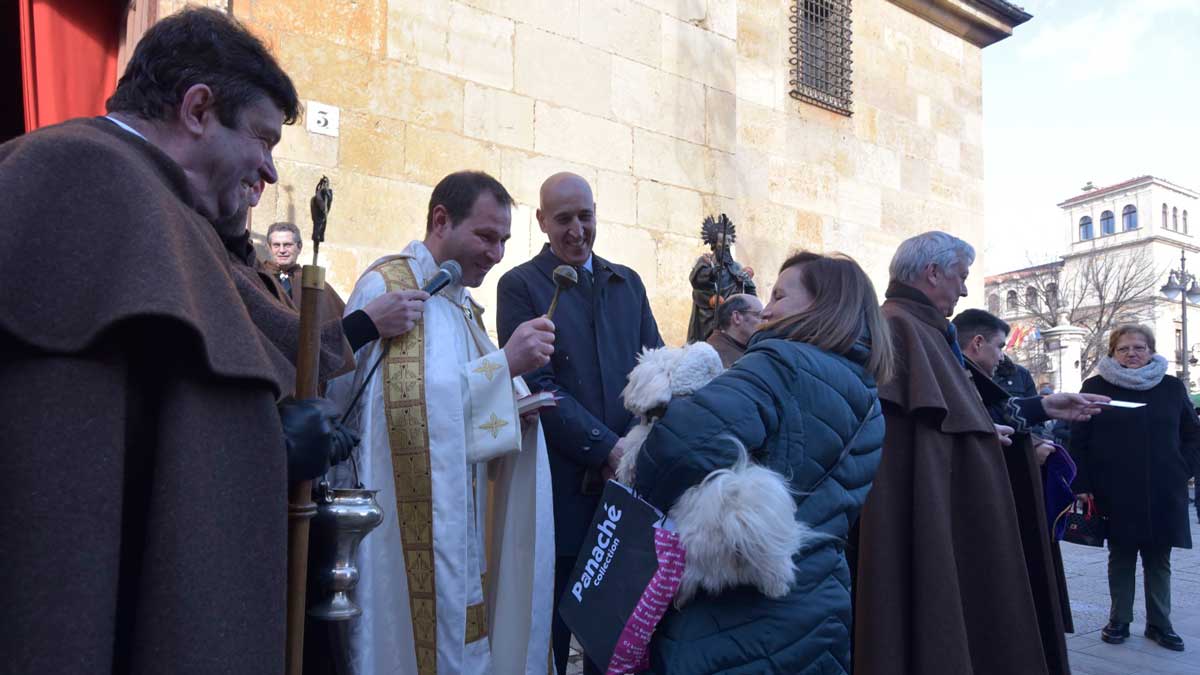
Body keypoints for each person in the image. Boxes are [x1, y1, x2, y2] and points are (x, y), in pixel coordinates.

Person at [0, 8, 344, 673]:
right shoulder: (83, 175)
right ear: (196, 109)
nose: (270, 174)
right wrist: (272, 446)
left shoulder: (152, 200)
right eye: (264, 140)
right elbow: (65, 454)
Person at [326, 171, 555, 675]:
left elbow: (454, 407)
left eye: (504, 241)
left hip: (459, 517)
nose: (496, 254)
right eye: (486, 236)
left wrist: (515, 407)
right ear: (440, 220)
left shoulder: (458, 304)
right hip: (400, 527)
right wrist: (506, 365)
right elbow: (399, 421)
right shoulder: (391, 284)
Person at [852, 231, 1108, 675]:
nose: (965, 289)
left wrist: (1042, 406)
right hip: (923, 520)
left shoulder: (925, 330)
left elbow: (958, 412)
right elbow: (916, 439)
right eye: (960, 276)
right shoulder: (899, 328)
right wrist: (980, 438)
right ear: (932, 273)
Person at [627, 251, 892, 674]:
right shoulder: (869, 401)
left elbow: (675, 448)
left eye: (779, 295)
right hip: (818, 600)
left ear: (823, 304)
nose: (766, 309)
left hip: (734, 611)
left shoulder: (779, 364)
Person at [496, 171, 662, 675]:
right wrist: (608, 448)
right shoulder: (520, 285)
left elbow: (654, 368)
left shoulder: (627, 282)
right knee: (552, 628)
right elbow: (539, 385)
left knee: (611, 635)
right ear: (542, 220)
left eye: (584, 217)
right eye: (563, 219)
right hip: (560, 489)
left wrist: (640, 447)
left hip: (627, 492)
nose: (576, 231)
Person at [1071, 324, 1199, 652]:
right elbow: (1079, 439)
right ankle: (1119, 620)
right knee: (1122, 555)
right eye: (1124, 348)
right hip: (1114, 486)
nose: (1132, 353)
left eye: (1139, 347)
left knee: (1159, 557)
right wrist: (1083, 483)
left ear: (1151, 350)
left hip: (1163, 487)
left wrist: (1182, 466)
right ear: (1113, 353)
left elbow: (1191, 433)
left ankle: (1160, 624)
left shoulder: (1171, 387)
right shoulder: (1096, 386)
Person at [953, 308, 1075, 639]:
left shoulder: (1009, 373)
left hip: (1012, 488)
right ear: (977, 343)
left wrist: (1042, 419)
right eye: (999, 345)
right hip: (976, 499)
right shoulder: (948, 372)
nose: (1002, 354)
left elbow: (1006, 413)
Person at [686, 213, 756, 343]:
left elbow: (748, 291)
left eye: (729, 241)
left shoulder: (736, 267)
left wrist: (745, 280)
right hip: (708, 317)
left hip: (729, 320)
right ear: (714, 242)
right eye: (722, 241)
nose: (727, 244)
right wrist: (711, 275)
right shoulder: (706, 262)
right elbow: (697, 284)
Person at [703, 293, 761, 367]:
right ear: (737, 317)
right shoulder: (716, 357)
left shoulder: (741, 348)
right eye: (759, 315)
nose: (765, 322)